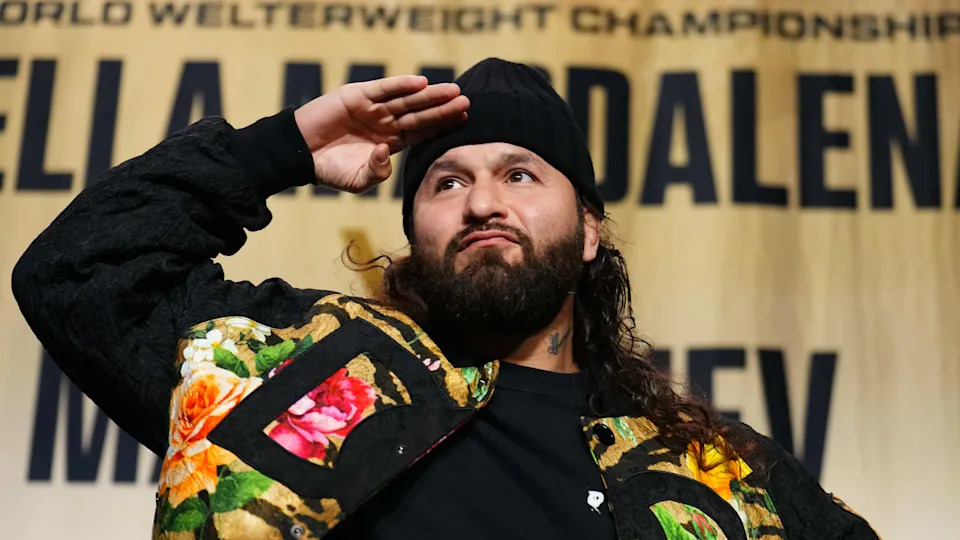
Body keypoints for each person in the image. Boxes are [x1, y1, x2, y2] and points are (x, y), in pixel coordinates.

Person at [12, 58, 878, 539]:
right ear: (416, 236)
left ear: (589, 231)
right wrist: (281, 147)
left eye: (520, 175)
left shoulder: (716, 473)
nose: (483, 203)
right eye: (447, 182)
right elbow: (79, 272)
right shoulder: (287, 373)